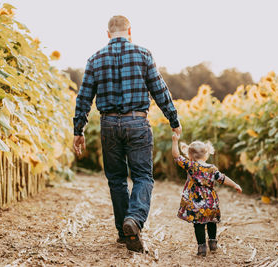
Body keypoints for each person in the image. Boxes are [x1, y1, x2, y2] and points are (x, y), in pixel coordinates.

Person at [73, 15, 182, 253]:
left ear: (108, 33)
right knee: (143, 176)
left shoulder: (95, 58)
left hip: (109, 124)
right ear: (129, 31)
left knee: (116, 179)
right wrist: (174, 119)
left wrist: (78, 130)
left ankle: (124, 232)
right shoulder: (143, 54)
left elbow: (84, 98)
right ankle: (134, 219)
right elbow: (159, 89)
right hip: (137, 123)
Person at [171, 133, 242, 256]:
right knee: (212, 221)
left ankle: (201, 247)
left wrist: (174, 140)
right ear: (206, 154)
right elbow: (223, 178)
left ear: (190, 155)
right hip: (210, 201)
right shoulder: (212, 168)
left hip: (196, 202)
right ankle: (213, 243)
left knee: (198, 224)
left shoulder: (191, 166)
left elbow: (176, 156)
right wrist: (235, 184)